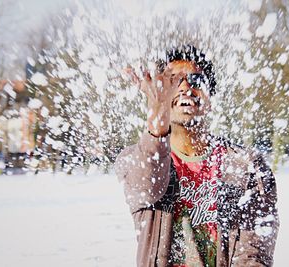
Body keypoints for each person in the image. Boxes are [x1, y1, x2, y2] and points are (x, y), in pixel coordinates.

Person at [115, 45, 279, 267]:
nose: (185, 87)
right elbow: (145, 189)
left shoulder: (246, 166)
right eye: (173, 80)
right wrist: (157, 117)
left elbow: (254, 253)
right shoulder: (136, 159)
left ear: (210, 98)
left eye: (196, 80)